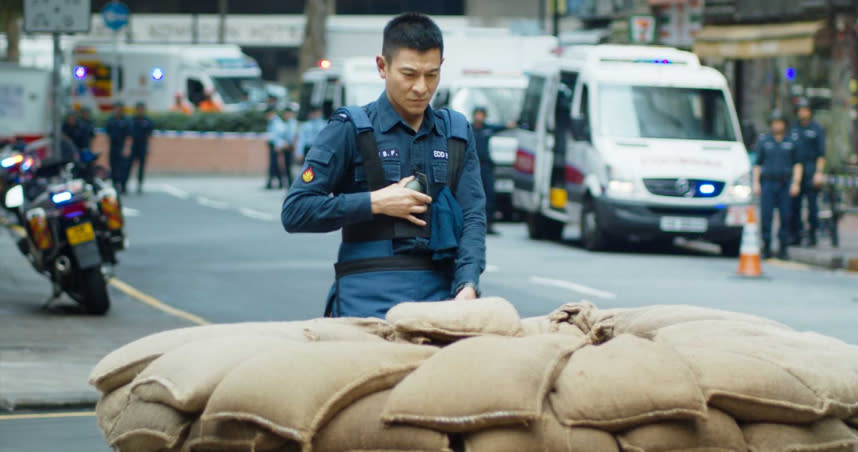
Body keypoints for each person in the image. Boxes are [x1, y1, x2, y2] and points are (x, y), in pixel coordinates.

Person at [281, 12, 486, 318]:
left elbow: (472, 217)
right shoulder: (349, 128)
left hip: (442, 296)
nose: (421, 87)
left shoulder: (455, 133)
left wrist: (467, 285)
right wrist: (375, 202)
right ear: (382, 66)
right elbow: (295, 211)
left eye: (431, 75)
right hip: (365, 295)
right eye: (409, 74)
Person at [753, 109, 802, 260]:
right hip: (768, 183)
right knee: (766, 216)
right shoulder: (764, 141)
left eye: (779, 123)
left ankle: (783, 248)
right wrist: (756, 183)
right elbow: (758, 164)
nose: (777, 126)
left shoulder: (791, 142)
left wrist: (796, 182)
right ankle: (766, 246)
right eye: (774, 123)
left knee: (785, 216)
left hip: (785, 183)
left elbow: (797, 164)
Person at [789, 97, 826, 247]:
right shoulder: (794, 128)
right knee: (794, 206)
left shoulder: (817, 128)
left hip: (810, 169)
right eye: (800, 110)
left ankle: (812, 235)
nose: (802, 112)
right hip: (796, 170)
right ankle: (796, 235)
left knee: (812, 206)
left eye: (805, 110)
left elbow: (821, 154)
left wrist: (818, 173)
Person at [471, 106, 514, 235]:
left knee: (489, 195)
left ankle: (489, 224)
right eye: (477, 115)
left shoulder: (487, 128)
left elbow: (501, 127)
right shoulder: (469, 129)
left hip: (486, 166)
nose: (479, 117)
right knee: (472, 196)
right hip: (472, 166)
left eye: (481, 115)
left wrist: (511, 125)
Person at [125, 102, 155, 194]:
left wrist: (149, 147)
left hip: (143, 146)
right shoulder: (132, 121)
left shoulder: (147, 121)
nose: (140, 111)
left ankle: (139, 185)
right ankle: (125, 185)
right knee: (128, 166)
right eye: (139, 109)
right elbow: (128, 135)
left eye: (142, 109)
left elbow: (150, 135)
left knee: (141, 167)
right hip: (134, 146)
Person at [105, 102, 132, 192]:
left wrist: (127, 147)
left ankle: (123, 185)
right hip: (113, 146)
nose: (118, 111)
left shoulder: (126, 121)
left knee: (123, 167)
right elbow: (108, 134)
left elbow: (129, 136)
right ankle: (114, 184)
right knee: (113, 165)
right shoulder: (111, 120)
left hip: (122, 146)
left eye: (119, 109)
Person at [264, 107, 286, 189]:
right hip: (273, 144)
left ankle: (271, 183)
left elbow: (279, 134)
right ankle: (279, 182)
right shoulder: (271, 122)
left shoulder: (276, 122)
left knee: (274, 164)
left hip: (275, 145)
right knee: (274, 164)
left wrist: (277, 145)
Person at [280, 105, 300, 188]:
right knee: (288, 169)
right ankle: (290, 187)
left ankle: (293, 187)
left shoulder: (293, 124)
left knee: (292, 169)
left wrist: (290, 145)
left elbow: (295, 137)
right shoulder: (286, 123)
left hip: (292, 149)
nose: (285, 115)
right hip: (287, 149)